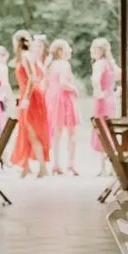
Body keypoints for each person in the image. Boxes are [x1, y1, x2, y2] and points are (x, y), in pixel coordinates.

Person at [8, 30, 50, 176]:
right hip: (27, 95)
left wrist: (26, 97)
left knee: (32, 132)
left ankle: (43, 168)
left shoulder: (26, 57)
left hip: (31, 97)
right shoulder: (24, 57)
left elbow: (33, 77)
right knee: (25, 131)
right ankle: (26, 167)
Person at [47, 39, 81, 175]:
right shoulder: (64, 64)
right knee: (72, 133)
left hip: (54, 97)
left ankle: (56, 164)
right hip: (65, 98)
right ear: (60, 51)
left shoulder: (51, 64)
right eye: (67, 48)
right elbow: (63, 83)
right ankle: (70, 164)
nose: (70, 50)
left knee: (57, 133)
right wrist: (74, 88)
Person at [90, 37, 122, 173]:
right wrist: (115, 92)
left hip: (102, 101)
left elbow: (96, 79)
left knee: (101, 131)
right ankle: (110, 166)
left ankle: (103, 167)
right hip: (111, 100)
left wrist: (98, 92)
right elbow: (120, 76)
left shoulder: (99, 64)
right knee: (109, 130)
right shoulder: (111, 63)